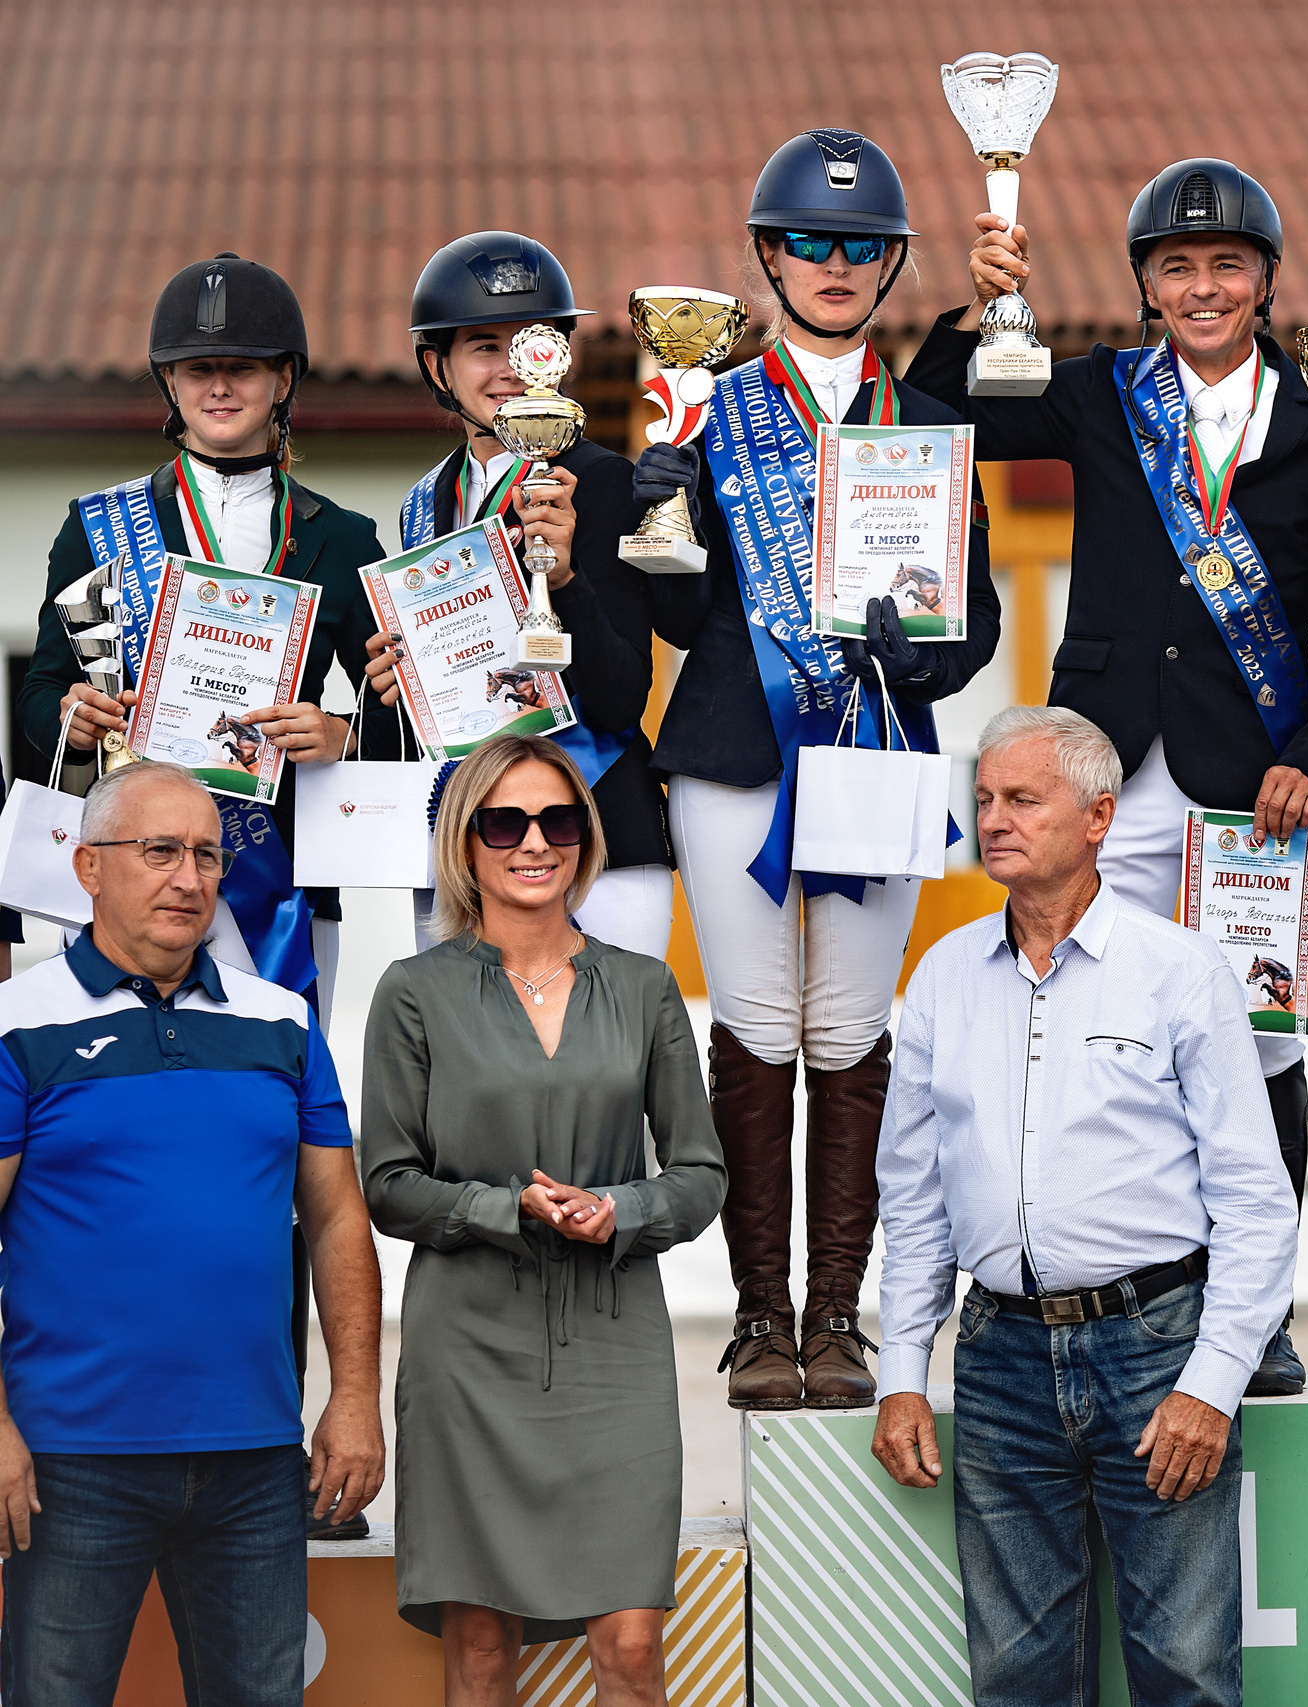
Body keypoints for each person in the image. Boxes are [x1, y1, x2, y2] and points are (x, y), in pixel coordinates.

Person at [905, 155, 1308, 1400]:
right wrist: (981, 303)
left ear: (1267, 280)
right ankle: (1061, 1280)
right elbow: (932, 405)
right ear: (1144, 287)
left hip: (1253, 782)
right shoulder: (1098, 397)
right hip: (1101, 767)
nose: (1204, 287)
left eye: (1227, 264)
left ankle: (1257, 1317)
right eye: (1177, 267)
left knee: (1262, 1048)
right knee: (1071, 1019)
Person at [628, 128, 1000, 1411]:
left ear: (891, 263)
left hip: (876, 755)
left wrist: (928, 649)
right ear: (766, 259)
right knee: (752, 1024)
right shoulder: (699, 411)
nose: (832, 264)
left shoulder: (932, 426)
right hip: (734, 756)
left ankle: (838, 1315)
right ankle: (756, 1320)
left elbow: (981, 626)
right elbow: (674, 627)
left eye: (859, 246)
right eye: (807, 242)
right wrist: (654, 521)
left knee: (848, 1028)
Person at [870, 706, 1295, 1707]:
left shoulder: (1181, 971)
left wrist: (1213, 1379)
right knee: (1017, 1680)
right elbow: (914, 1194)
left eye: (1022, 798)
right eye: (983, 801)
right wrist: (899, 1371)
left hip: (1157, 1347)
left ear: (1099, 817)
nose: (995, 819)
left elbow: (1254, 1198)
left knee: (1184, 1671)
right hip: (999, 1356)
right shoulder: (940, 978)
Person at [0, 760, 382, 1706]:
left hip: (255, 1463)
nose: (190, 877)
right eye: (159, 850)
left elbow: (336, 1216)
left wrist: (355, 1396)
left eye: (207, 854)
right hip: (70, 1466)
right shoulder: (18, 1025)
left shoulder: (283, 1021)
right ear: (88, 867)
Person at [362, 734, 725, 1704]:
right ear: (464, 841)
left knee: (634, 1646)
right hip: (467, 1354)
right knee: (480, 1654)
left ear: (585, 837)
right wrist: (498, 1208)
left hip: (617, 1349)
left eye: (558, 821)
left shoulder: (643, 987)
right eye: (505, 822)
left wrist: (619, 1210)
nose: (535, 843)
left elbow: (698, 1174)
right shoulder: (413, 992)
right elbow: (387, 1184)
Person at [18, 253, 392, 1023]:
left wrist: (341, 732)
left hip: (283, 867)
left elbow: (412, 716)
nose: (219, 386)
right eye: (198, 369)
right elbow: (38, 694)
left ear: (282, 380)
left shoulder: (347, 538)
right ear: (171, 382)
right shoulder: (96, 526)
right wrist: (72, 716)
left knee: (274, 1091)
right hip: (132, 865)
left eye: (242, 368)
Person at [366, 231, 672, 957]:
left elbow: (624, 693)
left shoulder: (607, 483)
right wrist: (394, 683)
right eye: (483, 346)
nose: (509, 368)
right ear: (437, 366)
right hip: (471, 836)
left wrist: (562, 582)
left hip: (596, 836)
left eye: (529, 344)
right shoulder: (422, 503)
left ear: (560, 357)